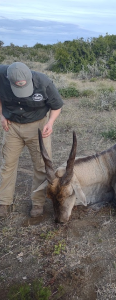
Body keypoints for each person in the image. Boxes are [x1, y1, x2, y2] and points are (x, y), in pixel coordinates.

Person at [0, 62, 63, 218]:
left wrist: (50, 122)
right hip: (12, 126)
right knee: (7, 164)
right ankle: (4, 201)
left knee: (42, 166)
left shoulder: (43, 81)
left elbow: (57, 105)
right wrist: (1, 115)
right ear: (9, 79)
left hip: (38, 127)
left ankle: (38, 203)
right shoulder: (1, 75)